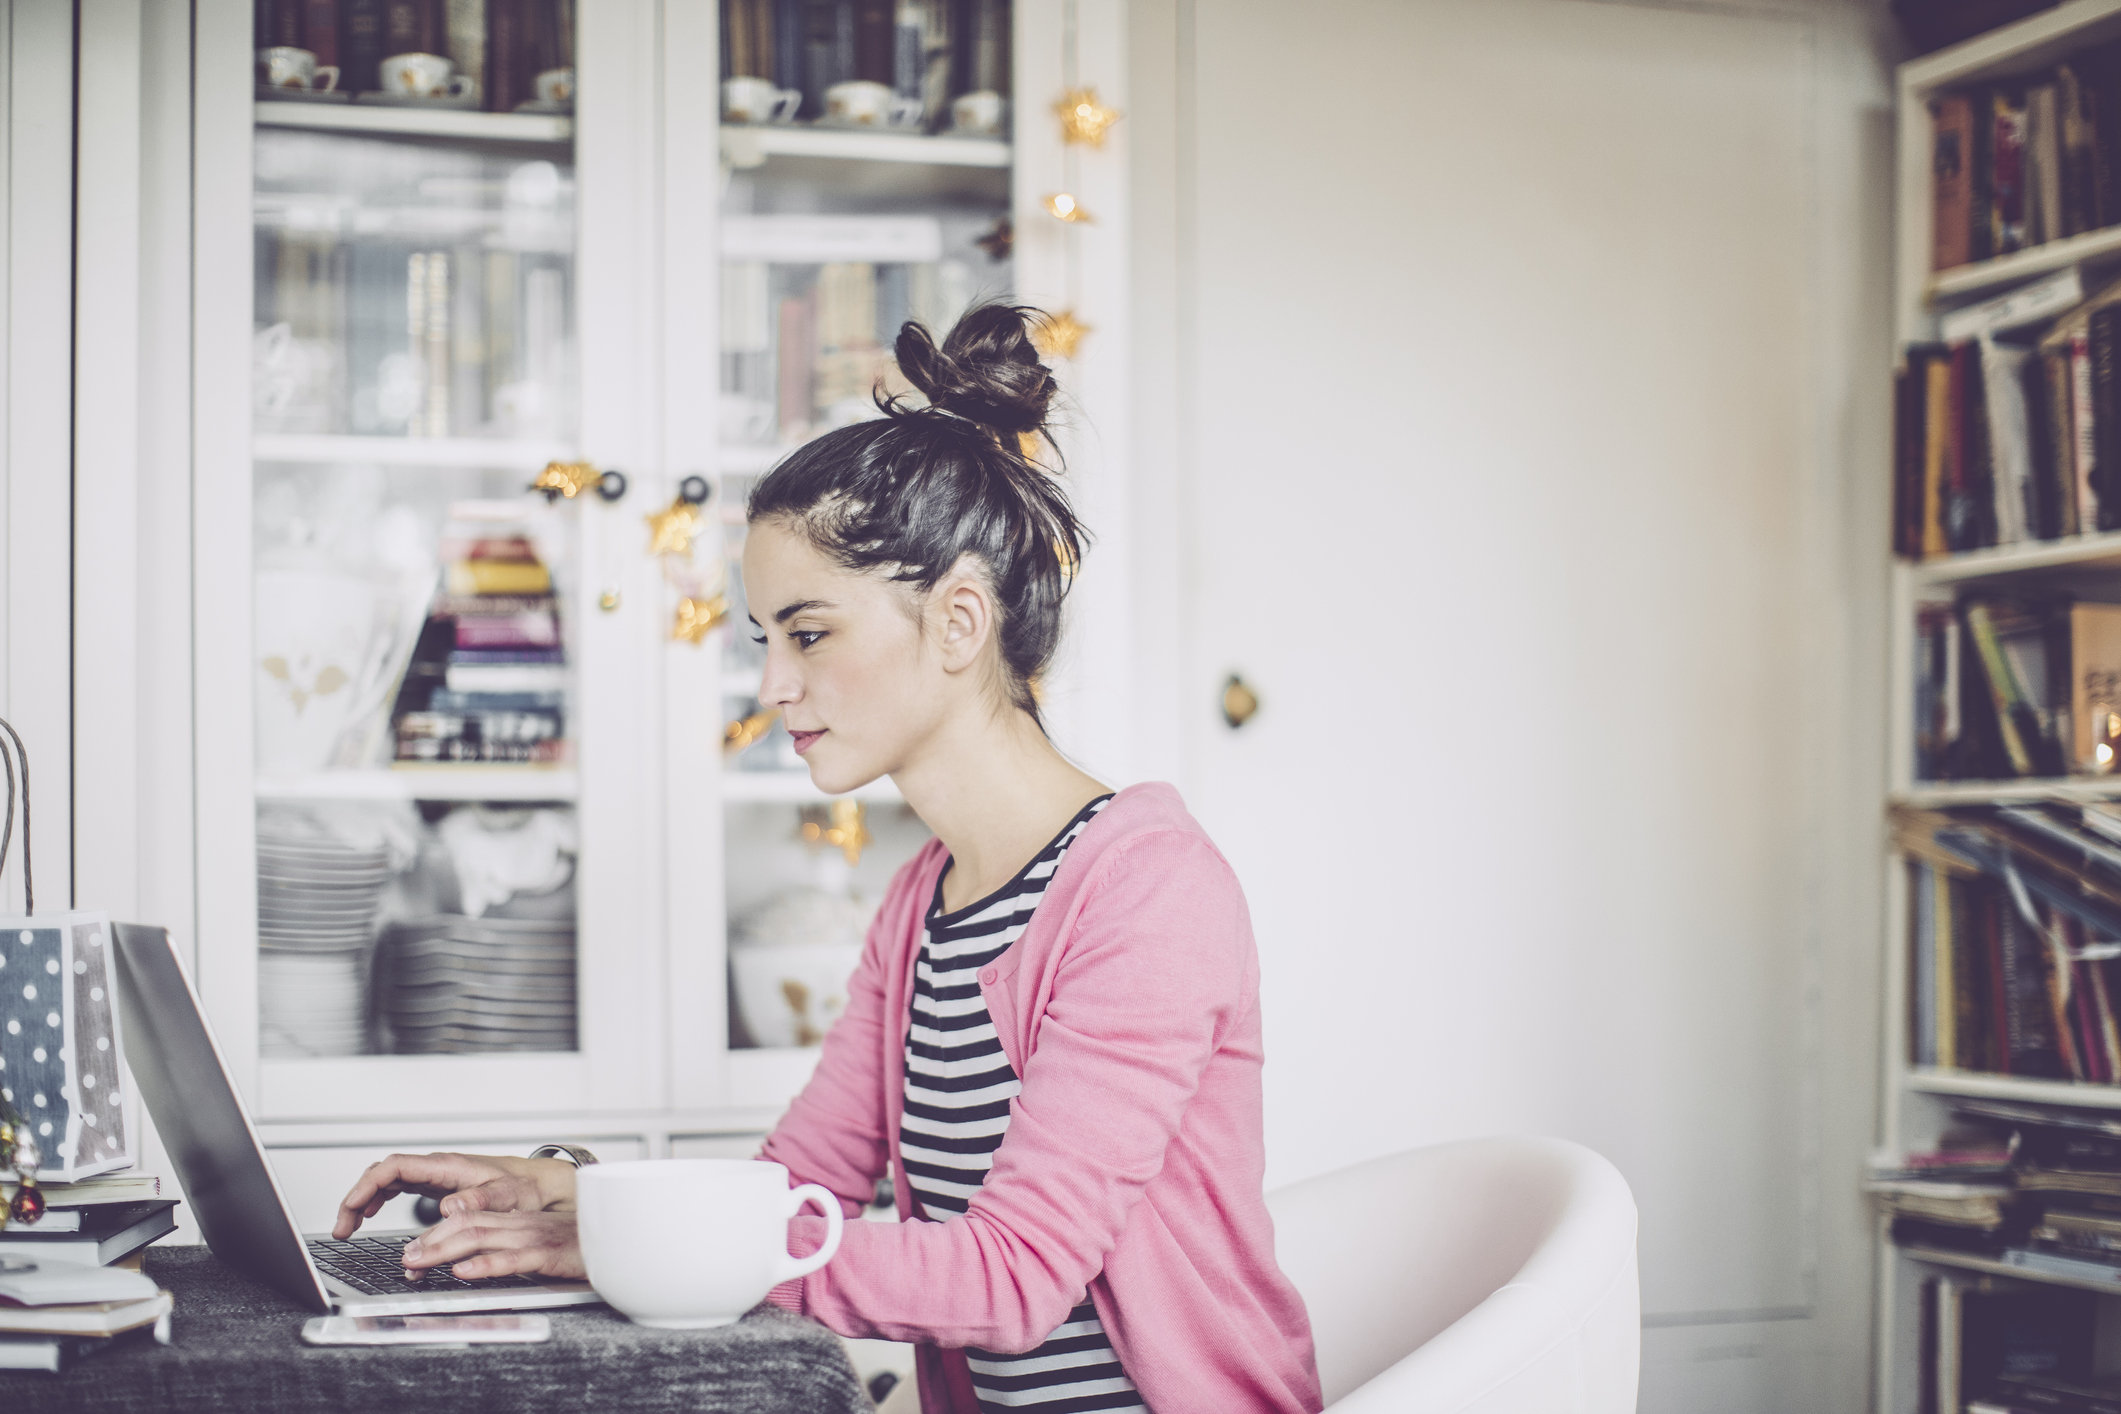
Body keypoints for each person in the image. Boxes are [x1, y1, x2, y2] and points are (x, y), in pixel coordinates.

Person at [332, 305, 1323, 1414]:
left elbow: (1011, 1279)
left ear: (957, 623)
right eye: (768, 642)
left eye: (808, 633)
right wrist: (582, 1202)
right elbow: (795, 1190)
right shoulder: (923, 901)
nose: (772, 688)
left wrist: (636, 1252)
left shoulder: (1147, 889)